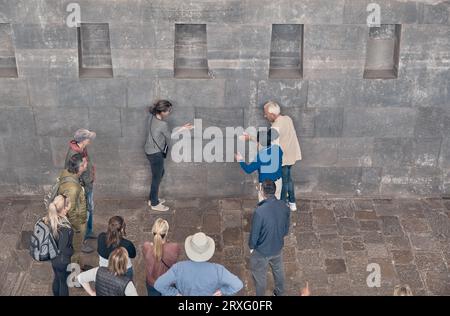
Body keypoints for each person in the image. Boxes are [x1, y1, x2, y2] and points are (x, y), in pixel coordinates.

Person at [241, 101, 302, 211]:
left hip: (283, 158)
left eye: (266, 114)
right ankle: (292, 202)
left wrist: (249, 138)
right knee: (288, 179)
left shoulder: (276, 127)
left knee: (283, 182)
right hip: (292, 155)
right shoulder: (287, 119)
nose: (265, 116)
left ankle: (283, 204)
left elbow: (265, 141)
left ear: (273, 115)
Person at [154, 232, 243, 296]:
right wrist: (223, 291)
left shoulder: (178, 268)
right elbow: (238, 285)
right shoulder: (218, 270)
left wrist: (175, 293)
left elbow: (159, 285)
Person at [145, 100, 193, 212]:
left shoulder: (151, 117)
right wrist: (183, 128)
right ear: (162, 111)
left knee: (159, 174)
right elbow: (171, 135)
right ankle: (154, 203)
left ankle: (153, 198)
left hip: (149, 150)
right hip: (155, 153)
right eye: (168, 110)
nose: (169, 112)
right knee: (157, 178)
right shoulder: (162, 124)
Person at [249, 180, 290, 296]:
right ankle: (280, 292)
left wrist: (252, 247)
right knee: (278, 270)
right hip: (277, 247)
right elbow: (286, 229)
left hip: (262, 251)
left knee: (260, 276)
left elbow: (255, 234)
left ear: (262, 192)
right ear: (275, 190)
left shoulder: (260, 212)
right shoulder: (284, 206)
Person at [65, 128, 97, 248]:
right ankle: (80, 242)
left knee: (90, 210)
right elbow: (73, 174)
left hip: (88, 184)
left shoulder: (83, 148)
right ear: (83, 140)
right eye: (88, 138)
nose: (90, 140)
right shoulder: (74, 155)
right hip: (81, 188)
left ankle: (88, 232)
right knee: (82, 215)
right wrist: (83, 185)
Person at [58, 153, 89, 266]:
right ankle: (75, 275)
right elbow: (70, 211)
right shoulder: (72, 188)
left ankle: (79, 266)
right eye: (85, 163)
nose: (87, 164)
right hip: (76, 224)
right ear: (79, 167)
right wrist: (78, 228)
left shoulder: (67, 172)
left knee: (77, 250)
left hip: (76, 219)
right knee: (76, 250)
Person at [236, 128, 283, 202]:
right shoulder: (278, 148)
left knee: (264, 205)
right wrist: (250, 137)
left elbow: (248, 169)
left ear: (259, 143)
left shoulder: (261, 156)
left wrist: (240, 160)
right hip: (278, 183)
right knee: (276, 202)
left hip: (266, 186)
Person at [44, 195, 74, 296]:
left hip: (52, 257)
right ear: (64, 209)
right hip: (62, 260)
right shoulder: (65, 228)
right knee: (63, 282)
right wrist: (71, 251)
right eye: (67, 208)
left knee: (57, 277)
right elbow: (63, 249)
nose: (68, 210)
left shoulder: (49, 219)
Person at [142, 218, 181, 296]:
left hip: (152, 282)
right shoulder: (174, 247)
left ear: (153, 232)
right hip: (167, 282)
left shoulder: (146, 246)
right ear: (166, 233)